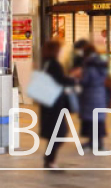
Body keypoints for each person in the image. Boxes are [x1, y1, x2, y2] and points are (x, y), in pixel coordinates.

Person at [39, 40, 77, 170]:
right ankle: (50, 160)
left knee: (55, 133)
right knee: (59, 133)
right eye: (60, 50)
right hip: (54, 104)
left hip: (48, 102)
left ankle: (49, 159)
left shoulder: (45, 63)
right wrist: (73, 79)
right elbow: (59, 80)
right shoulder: (54, 64)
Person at [73, 39, 109, 151]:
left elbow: (87, 80)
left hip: (90, 95)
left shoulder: (89, 65)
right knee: (97, 120)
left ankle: (94, 143)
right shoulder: (100, 62)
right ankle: (96, 142)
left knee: (92, 120)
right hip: (100, 94)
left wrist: (78, 78)